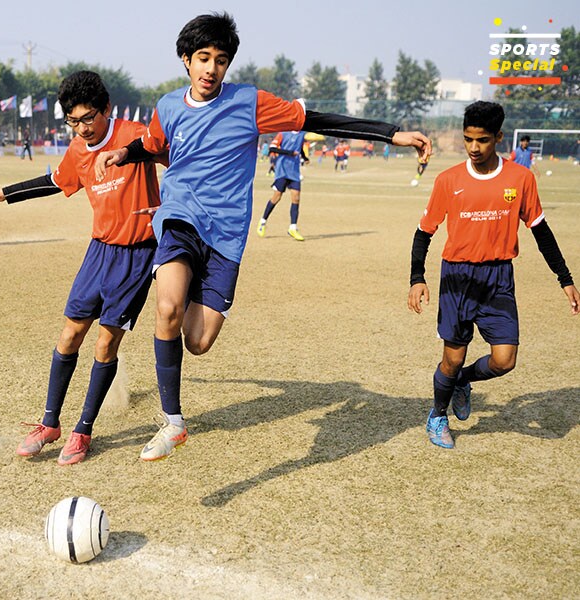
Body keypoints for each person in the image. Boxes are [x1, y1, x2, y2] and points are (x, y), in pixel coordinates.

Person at [95, 12, 431, 460]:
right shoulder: (168, 106)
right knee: (168, 306)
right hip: (178, 218)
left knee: (197, 342)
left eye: (220, 60)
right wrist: (124, 151)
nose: (211, 68)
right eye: (202, 58)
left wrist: (391, 133)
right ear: (185, 61)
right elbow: (154, 143)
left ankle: (193, 305)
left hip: (227, 236)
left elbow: (317, 119)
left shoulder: (250, 103)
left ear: (228, 65)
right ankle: (173, 421)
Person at [0, 71, 165, 466]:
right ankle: (49, 424)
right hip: (98, 252)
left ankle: (83, 430)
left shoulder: (135, 133)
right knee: (69, 334)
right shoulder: (78, 148)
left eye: (87, 119)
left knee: (106, 343)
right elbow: (55, 181)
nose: (81, 129)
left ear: (106, 110)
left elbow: (177, 159)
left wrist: (171, 204)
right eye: (73, 122)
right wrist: (4, 193)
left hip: (137, 254)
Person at [407, 101, 579, 449]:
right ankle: (438, 414)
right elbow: (424, 232)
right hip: (457, 277)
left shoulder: (521, 178)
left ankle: (461, 382)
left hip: (499, 277)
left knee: (505, 361)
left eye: (482, 140)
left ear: (498, 137)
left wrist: (565, 278)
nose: (474, 147)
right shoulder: (448, 180)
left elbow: (540, 231)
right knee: (452, 357)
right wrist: (417, 277)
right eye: (469, 139)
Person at [256, 130, 306, 240]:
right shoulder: (283, 134)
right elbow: (272, 148)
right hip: (282, 171)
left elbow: (299, 148)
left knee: (296, 198)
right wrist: (290, 153)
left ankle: (292, 228)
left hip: (294, 172)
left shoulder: (302, 134)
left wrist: (305, 157)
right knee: (276, 197)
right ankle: (263, 221)